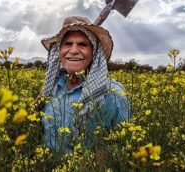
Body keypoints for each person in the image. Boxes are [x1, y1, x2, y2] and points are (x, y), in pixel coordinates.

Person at [37, 16, 131, 153]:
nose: (74, 50)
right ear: (59, 50)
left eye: (83, 44)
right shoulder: (51, 88)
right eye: (68, 44)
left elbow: (125, 145)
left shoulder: (113, 92)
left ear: (94, 53)